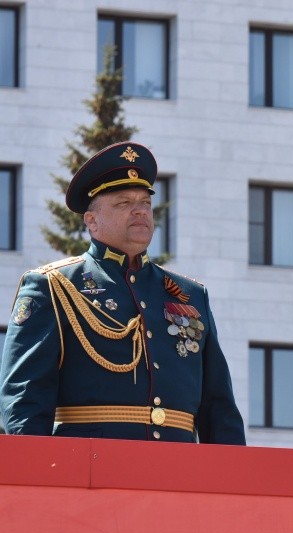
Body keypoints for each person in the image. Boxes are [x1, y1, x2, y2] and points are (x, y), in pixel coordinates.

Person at [0, 141, 245, 444]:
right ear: (92, 221)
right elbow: (25, 398)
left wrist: (227, 483)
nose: (139, 211)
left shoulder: (191, 294)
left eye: (145, 202)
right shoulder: (53, 285)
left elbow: (218, 407)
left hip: (180, 472)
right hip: (90, 470)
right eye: (123, 203)